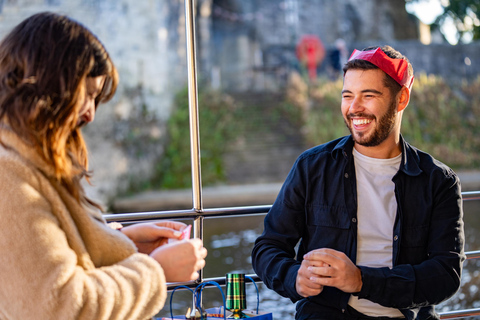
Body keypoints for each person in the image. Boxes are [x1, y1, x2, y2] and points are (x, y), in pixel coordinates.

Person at [0, 12, 207, 320]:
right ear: (54, 88)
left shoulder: (23, 162)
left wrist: (123, 243)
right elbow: (57, 306)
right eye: (88, 96)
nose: (90, 115)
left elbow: (50, 254)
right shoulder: (10, 178)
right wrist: (157, 271)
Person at [252, 45, 465, 320]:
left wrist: (361, 280)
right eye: (347, 95)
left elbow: (446, 274)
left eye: (368, 95)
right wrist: (294, 277)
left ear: (401, 99)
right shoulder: (312, 166)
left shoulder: (439, 181)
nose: (354, 108)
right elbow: (267, 247)